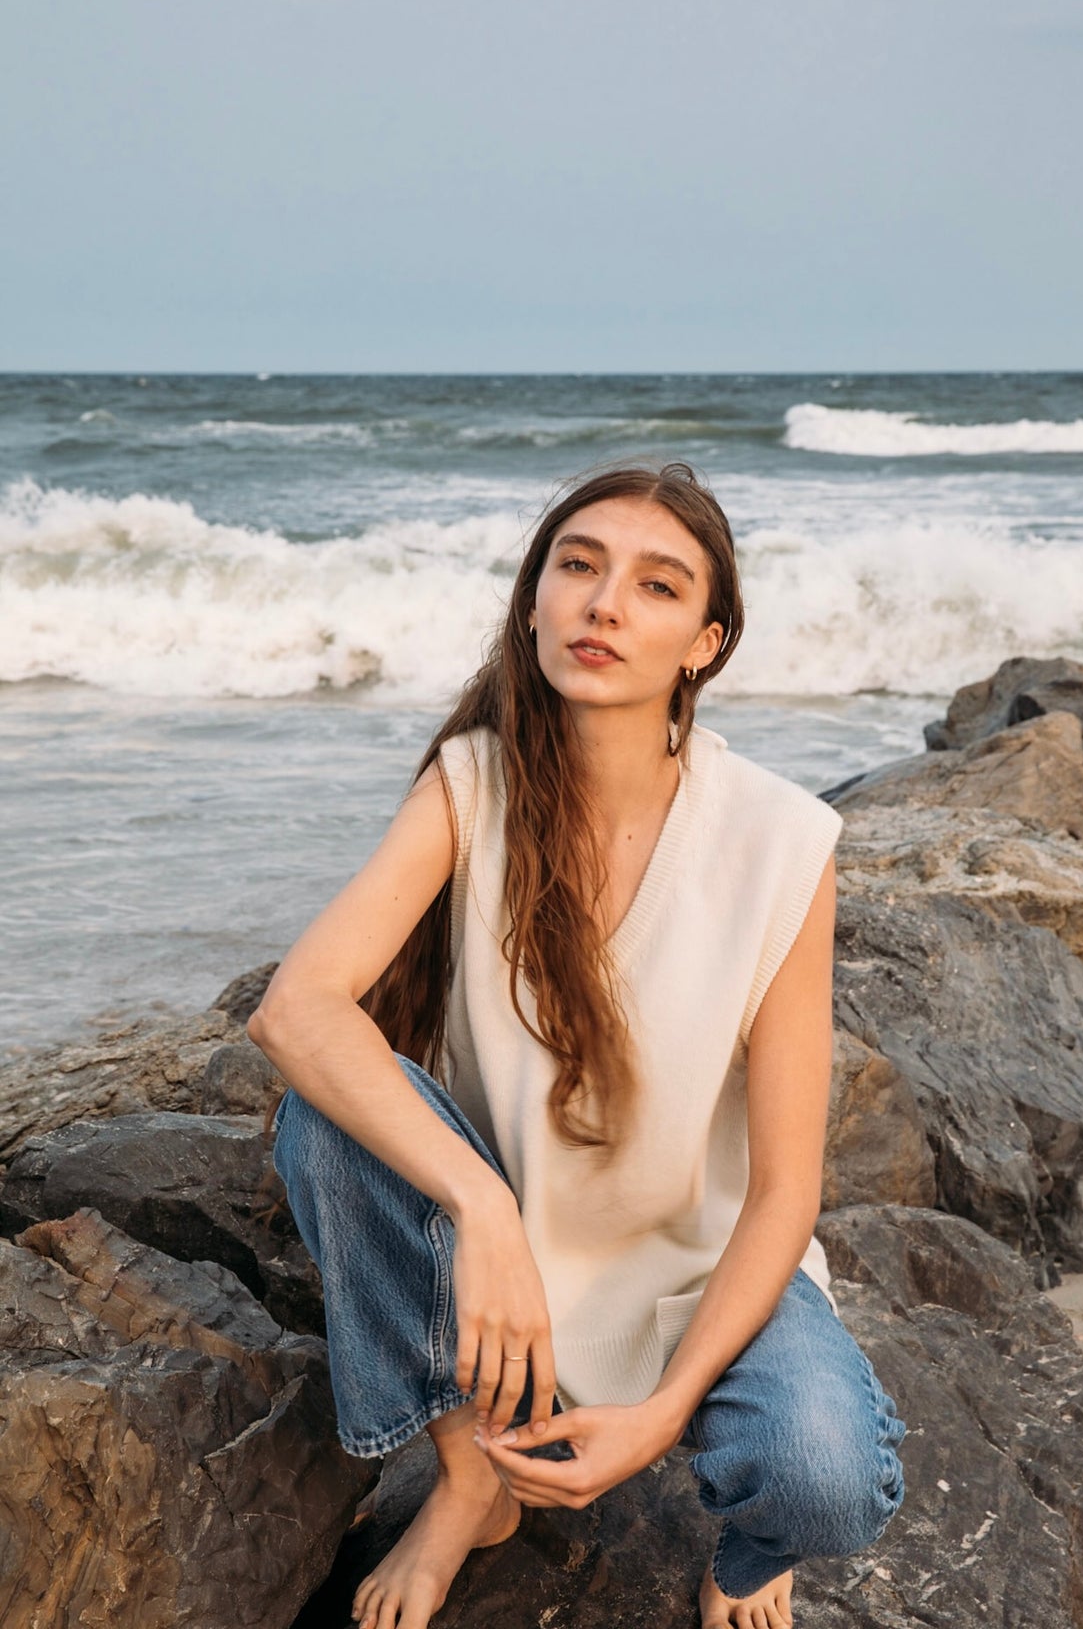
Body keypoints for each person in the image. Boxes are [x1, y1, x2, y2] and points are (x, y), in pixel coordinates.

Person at [249, 461, 905, 1629]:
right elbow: (298, 1009)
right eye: (579, 566)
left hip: (693, 1270)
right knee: (322, 1107)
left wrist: (665, 1415)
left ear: (703, 644)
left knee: (825, 1484)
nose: (604, 604)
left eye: (656, 587)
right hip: (503, 1259)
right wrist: (485, 1212)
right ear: (535, 603)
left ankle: (748, 1558)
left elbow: (787, 1188)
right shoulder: (473, 785)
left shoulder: (782, 841)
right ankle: (469, 1480)